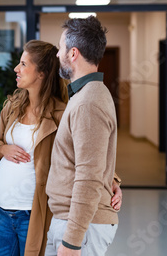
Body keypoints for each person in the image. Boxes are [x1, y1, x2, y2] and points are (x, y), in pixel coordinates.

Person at [0, 40, 122, 256]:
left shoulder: (62, 113)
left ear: (41, 73)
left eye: (23, 64)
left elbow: (87, 153)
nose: (16, 69)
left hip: (34, 214)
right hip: (2, 212)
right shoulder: (12, 106)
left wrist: (112, 181)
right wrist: (4, 150)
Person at [45, 16, 120, 256]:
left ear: (73, 53)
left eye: (61, 48)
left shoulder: (88, 102)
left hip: (80, 229)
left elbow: (88, 177)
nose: (58, 54)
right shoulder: (87, 95)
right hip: (73, 222)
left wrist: (72, 243)